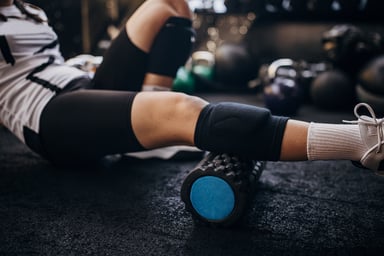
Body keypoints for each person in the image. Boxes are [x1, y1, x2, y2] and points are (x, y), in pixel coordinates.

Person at [0, 0, 383, 176]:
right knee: (182, 108)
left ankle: (144, 139)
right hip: (48, 117)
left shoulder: (23, 8)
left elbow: (42, 60)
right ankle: (364, 143)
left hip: (79, 84)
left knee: (170, 3)